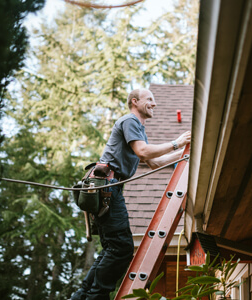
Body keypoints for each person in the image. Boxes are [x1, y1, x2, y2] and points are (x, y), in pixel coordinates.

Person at [71, 88, 191, 300]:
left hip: (106, 188)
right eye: (150, 100)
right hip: (107, 187)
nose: (154, 104)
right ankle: (95, 296)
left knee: (112, 247)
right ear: (134, 102)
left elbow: (154, 162)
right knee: (121, 248)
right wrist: (176, 142)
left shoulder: (138, 131)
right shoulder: (130, 121)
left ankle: (82, 296)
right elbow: (143, 152)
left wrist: (183, 154)